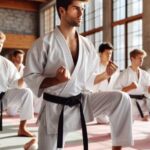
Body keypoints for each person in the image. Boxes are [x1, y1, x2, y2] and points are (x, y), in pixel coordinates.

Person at [24, 0, 133, 150]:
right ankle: (32, 146)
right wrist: (56, 80)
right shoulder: (43, 43)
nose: (81, 13)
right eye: (76, 9)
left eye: (82, 9)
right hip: (55, 110)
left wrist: (105, 74)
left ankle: (117, 148)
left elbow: (88, 80)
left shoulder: (87, 45)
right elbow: (30, 78)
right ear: (62, 11)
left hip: (80, 102)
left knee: (122, 98)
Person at [0, 31, 34, 137]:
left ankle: (22, 128)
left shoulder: (6, 64)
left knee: (27, 92)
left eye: (0, 44)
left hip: (2, 98)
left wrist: (25, 76)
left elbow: (16, 84)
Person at [115, 49, 150, 121]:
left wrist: (149, 90)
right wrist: (129, 87)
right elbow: (116, 92)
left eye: (142, 58)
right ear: (132, 58)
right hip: (130, 107)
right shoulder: (124, 74)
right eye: (139, 58)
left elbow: (148, 91)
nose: (141, 60)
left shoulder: (145, 74)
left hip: (144, 107)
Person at [94, 42, 120, 124]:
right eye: (107, 53)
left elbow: (116, 86)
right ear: (100, 54)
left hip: (111, 99)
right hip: (97, 99)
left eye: (110, 53)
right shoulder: (95, 67)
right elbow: (92, 83)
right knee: (105, 120)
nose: (109, 55)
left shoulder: (114, 68)